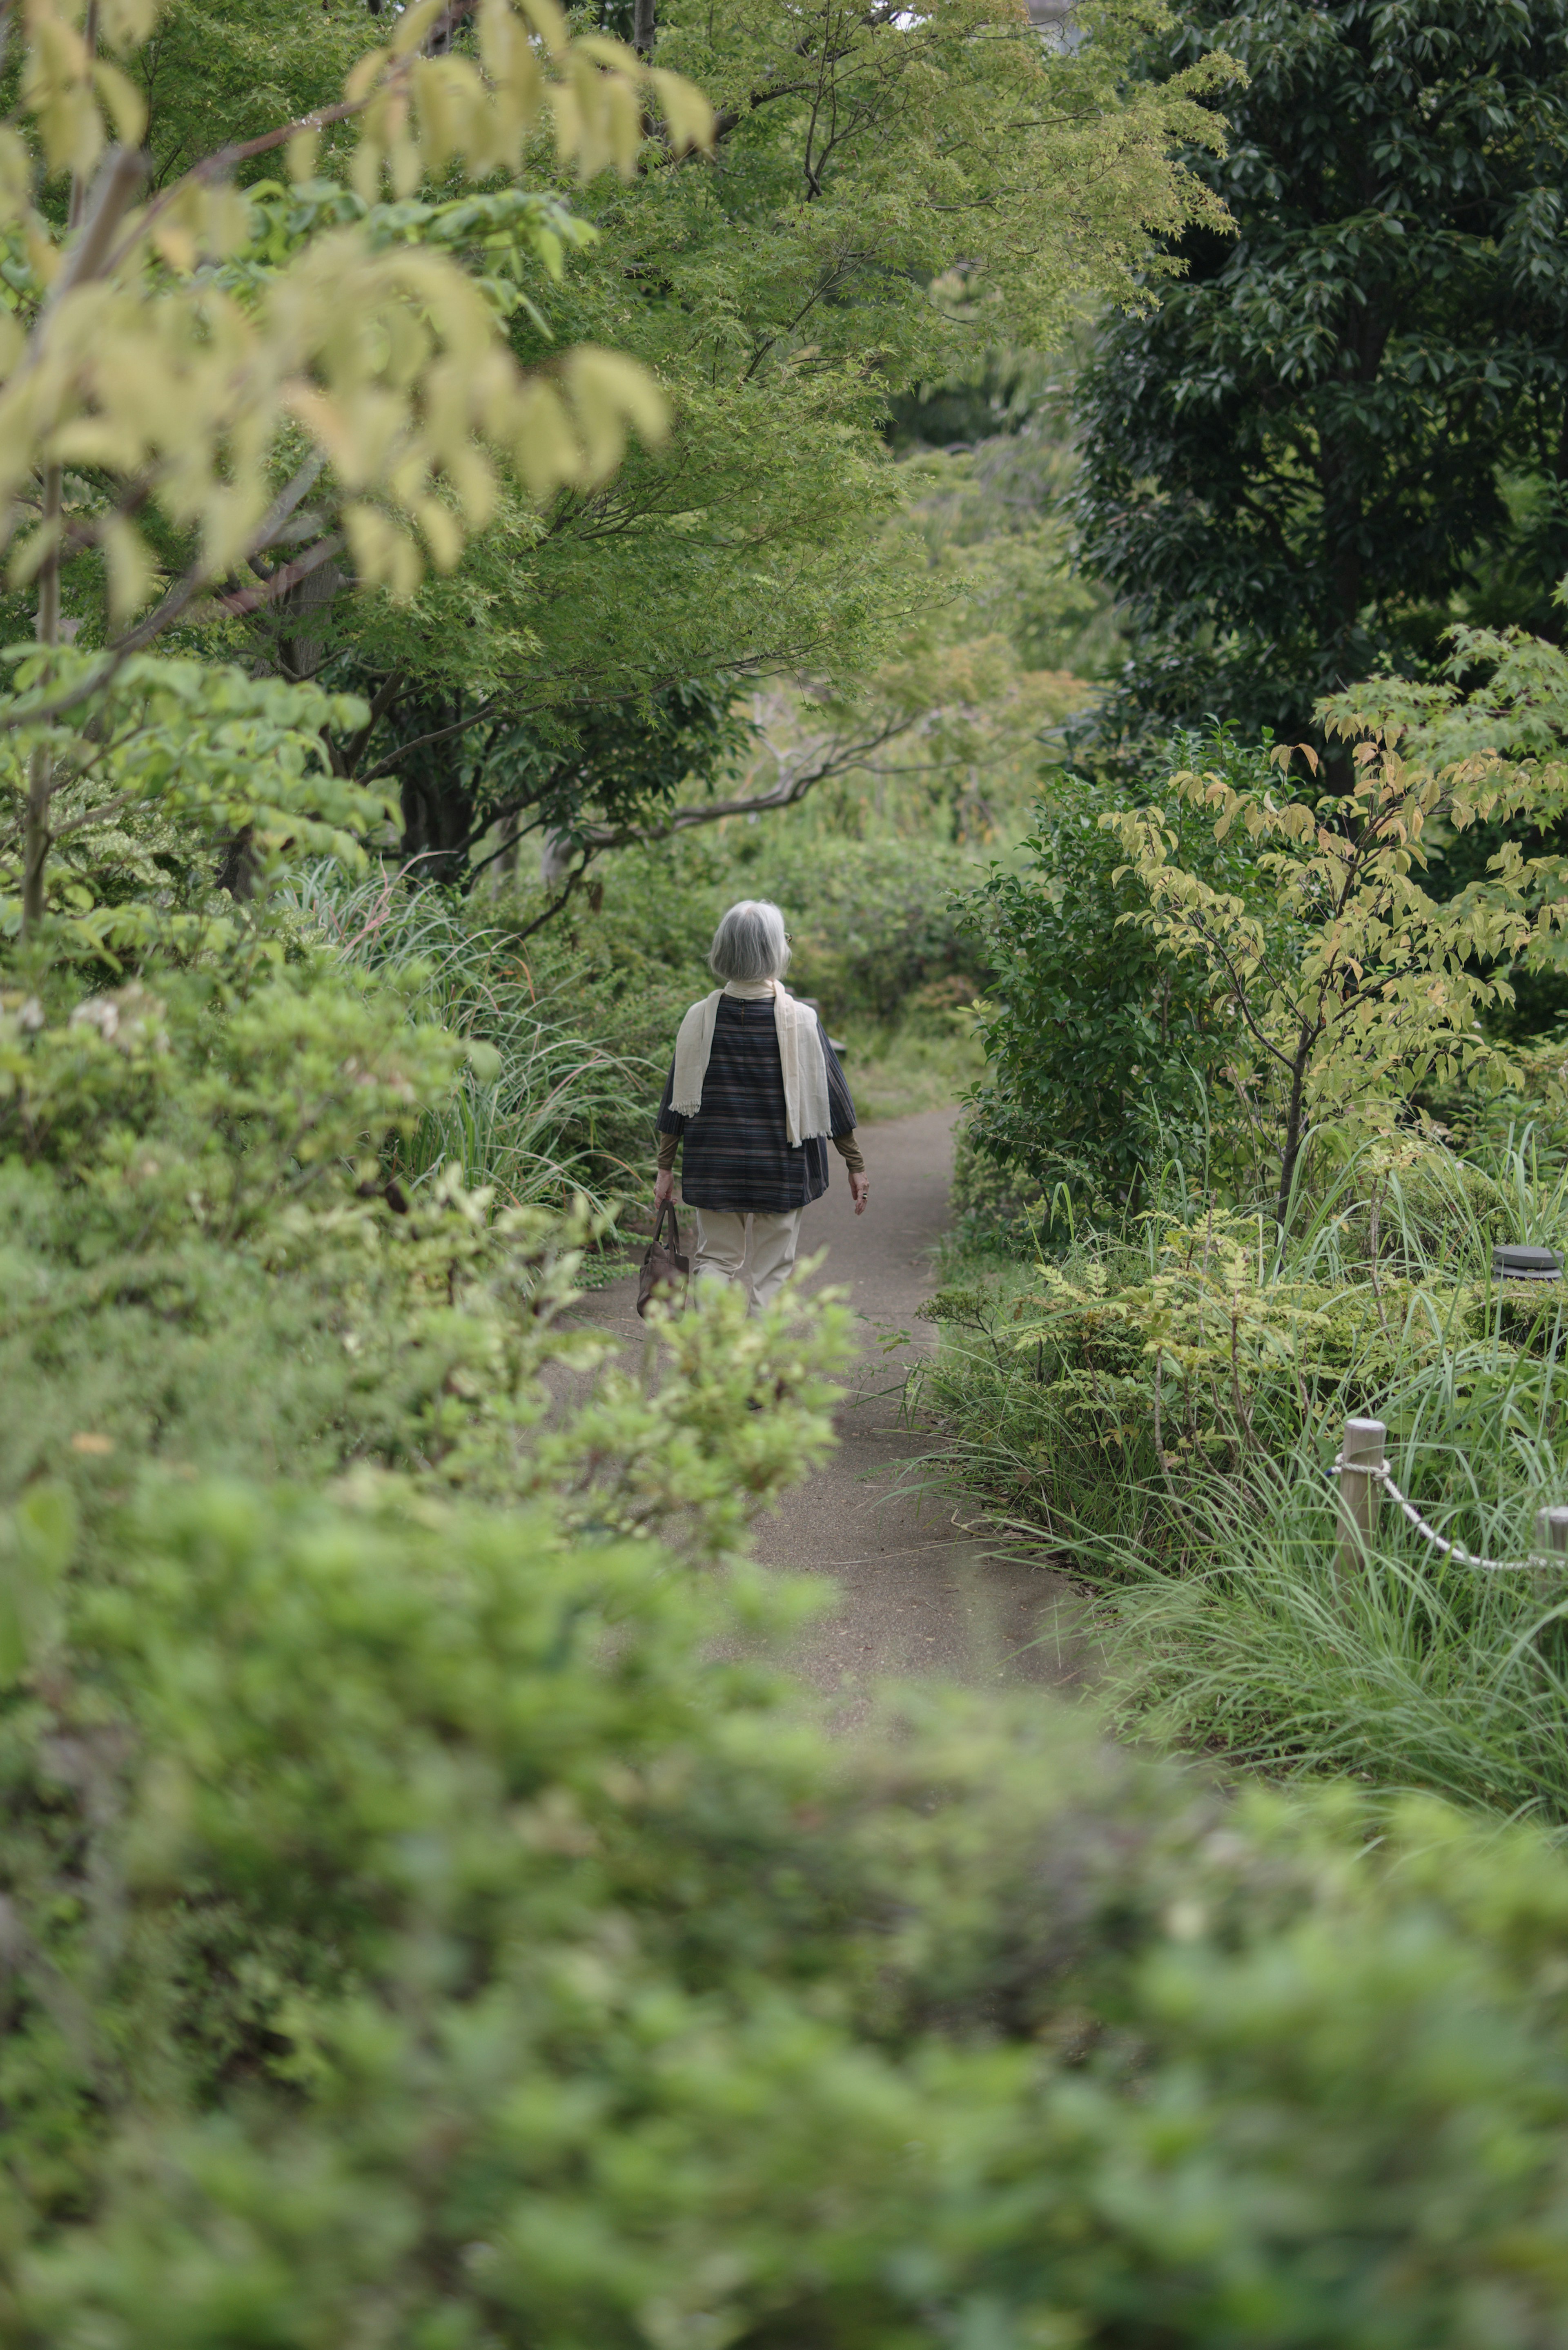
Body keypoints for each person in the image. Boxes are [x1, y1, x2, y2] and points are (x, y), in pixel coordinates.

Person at [652, 898, 868, 1308]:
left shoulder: (698, 1017)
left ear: (723, 951)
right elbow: (834, 1098)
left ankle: (715, 1350)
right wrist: (855, 1165)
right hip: (782, 1167)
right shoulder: (803, 1020)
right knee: (773, 1273)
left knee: (715, 1260)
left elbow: (674, 1103)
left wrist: (664, 1169)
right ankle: (758, 1362)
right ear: (776, 951)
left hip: (715, 1163)